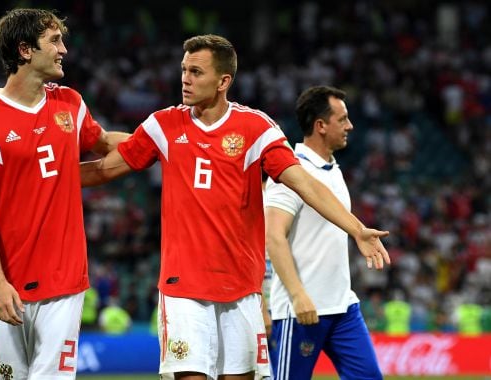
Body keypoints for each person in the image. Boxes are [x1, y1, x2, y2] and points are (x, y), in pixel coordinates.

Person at [81, 35, 390, 380]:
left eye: (196, 72)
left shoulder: (256, 128)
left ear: (223, 81)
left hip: (241, 290)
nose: (185, 78)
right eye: (184, 70)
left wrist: (356, 229)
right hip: (183, 287)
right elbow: (106, 168)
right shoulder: (164, 125)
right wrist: (44, 177)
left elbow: (303, 183)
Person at [0, 8, 128, 379]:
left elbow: (106, 144)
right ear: (25, 50)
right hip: (9, 285)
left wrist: (163, 139)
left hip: (66, 280)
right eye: (54, 41)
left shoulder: (70, 104)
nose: (63, 49)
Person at [264, 86, 383, 380]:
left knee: (369, 376)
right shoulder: (289, 173)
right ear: (320, 126)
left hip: (343, 306)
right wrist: (298, 295)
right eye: (342, 119)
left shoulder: (332, 169)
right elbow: (272, 236)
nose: (350, 126)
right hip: (302, 310)